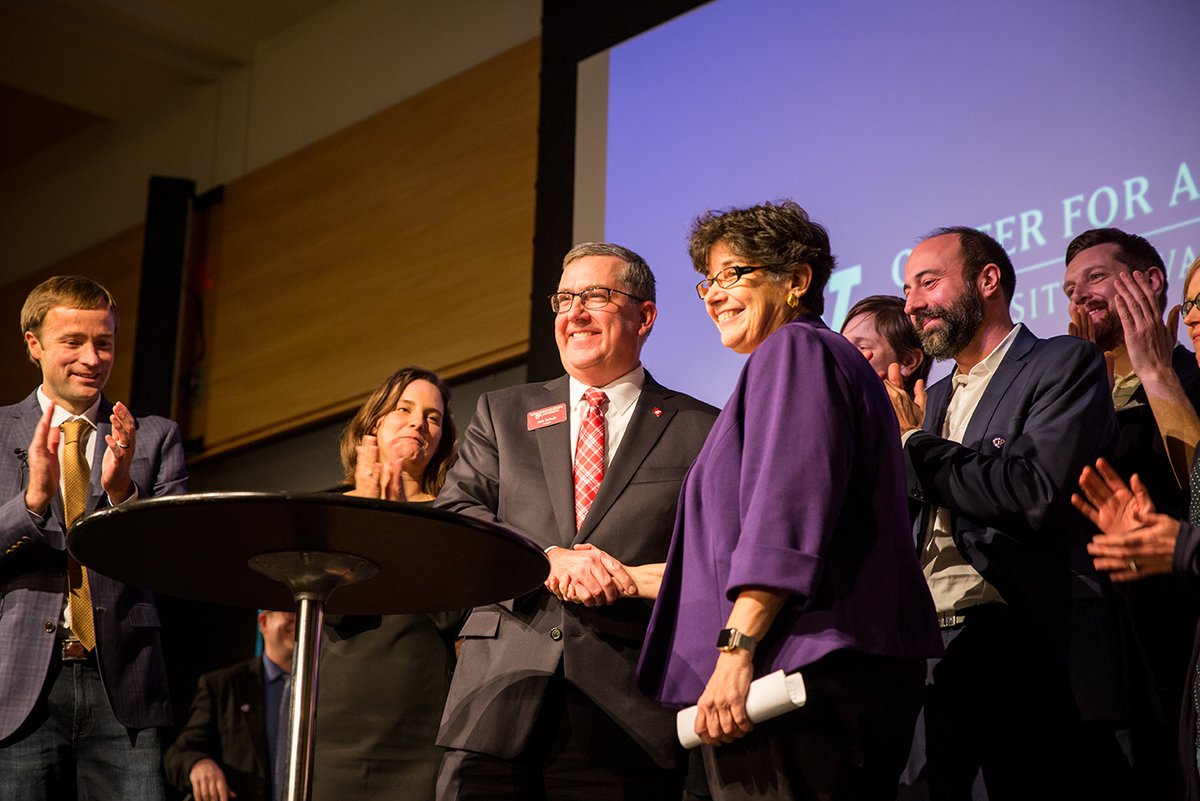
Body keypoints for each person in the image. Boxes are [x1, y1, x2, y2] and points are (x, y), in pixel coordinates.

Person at [611, 200, 939, 801]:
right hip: (827, 671)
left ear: (797, 280)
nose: (713, 295)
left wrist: (736, 650)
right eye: (708, 280)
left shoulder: (795, 351)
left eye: (734, 273)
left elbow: (786, 514)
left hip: (798, 672)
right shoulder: (816, 357)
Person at [433, 242, 719, 800]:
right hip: (495, 701)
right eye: (564, 299)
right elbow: (456, 516)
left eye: (596, 296)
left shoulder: (700, 428)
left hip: (628, 710)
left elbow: (712, 559)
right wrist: (545, 559)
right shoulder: (503, 413)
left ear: (646, 315)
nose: (574, 313)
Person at [887, 226, 1141, 800]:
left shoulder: (1060, 362)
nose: (912, 305)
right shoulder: (940, 397)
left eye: (928, 283)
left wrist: (910, 444)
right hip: (933, 651)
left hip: (1027, 642)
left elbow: (1032, 490)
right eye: (907, 290)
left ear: (987, 280)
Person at [0, 275, 188, 800]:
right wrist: (32, 502)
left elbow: (175, 558)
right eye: (73, 342)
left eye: (103, 343)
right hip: (17, 686)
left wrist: (124, 493)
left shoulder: (154, 435)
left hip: (124, 684)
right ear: (34, 345)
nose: (92, 358)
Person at [1062, 228, 1200, 799]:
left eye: (1096, 277)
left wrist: (1153, 369)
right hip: (1100, 651)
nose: (1079, 296)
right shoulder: (1070, 394)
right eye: (1070, 287)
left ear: (1150, 282)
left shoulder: (1189, 379)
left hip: (1180, 628)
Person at [311, 366, 461, 801]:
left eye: (433, 417)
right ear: (375, 421)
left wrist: (400, 531)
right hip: (336, 726)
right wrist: (368, 520)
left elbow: (450, 614)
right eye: (404, 409)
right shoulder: (329, 508)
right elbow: (330, 604)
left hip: (421, 727)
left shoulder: (456, 518)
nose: (419, 423)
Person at [164, 610, 297, 801]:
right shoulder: (222, 686)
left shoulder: (326, 689)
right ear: (264, 623)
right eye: (289, 612)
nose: (300, 620)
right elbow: (178, 753)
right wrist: (199, 764)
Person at [840, 294, 931, 396]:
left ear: (908, 361)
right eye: (843, 345)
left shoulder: (937, 410)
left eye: (862, 347)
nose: (843, 355)